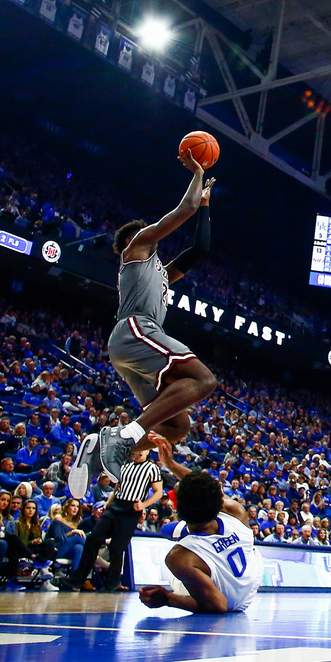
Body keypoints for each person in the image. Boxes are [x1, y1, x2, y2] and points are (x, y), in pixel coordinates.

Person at [68, 153, 217, 495]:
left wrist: (206, 205)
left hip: (133, 345)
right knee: (204, 380)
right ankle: (123, 439)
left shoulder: (162, 273)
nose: (157, 235)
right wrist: (197, 172)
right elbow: (184, 209)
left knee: (177, 425)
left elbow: (201, 249)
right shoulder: (136, 249)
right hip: (137, 330)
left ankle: (105, 447)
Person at [137, 468, 262, 613]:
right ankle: (187, 530)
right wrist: (171, 464)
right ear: (218, 504)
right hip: (252, 581)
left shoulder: (180, 556)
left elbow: (219, 605)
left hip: (227, 601)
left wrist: (167, 598)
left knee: (174, 564)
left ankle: (185, 530)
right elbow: (207, 491)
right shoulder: (236, 510)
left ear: (178, 510)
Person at [59, 447, 162, 592]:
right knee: (93, 538)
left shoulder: (151, 468)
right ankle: (78, 579)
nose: (139, 452)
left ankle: (112, 583)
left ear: (147, 452)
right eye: (138, 449)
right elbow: (118, 487)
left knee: (117, 547)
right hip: (116, 505)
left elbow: (158, 491)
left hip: (131, 510)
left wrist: (144, 504)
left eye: (143, 450)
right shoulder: (126, 465)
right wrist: (108, 504)